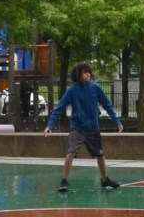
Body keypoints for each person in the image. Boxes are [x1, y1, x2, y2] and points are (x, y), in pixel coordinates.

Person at [44, 62, 124, 192]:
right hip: (77, 128)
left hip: (93, 128)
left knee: (100, 155)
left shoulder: (95, 88)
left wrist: (117, 122)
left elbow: (107, 105)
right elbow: (59, 108)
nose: (88, 74)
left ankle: (105, 179)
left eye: (89, 72)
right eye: (85, 72)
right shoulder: (72, 91)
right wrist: (50, 126)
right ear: (78, 75)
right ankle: (64, 180)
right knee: (70, 153)